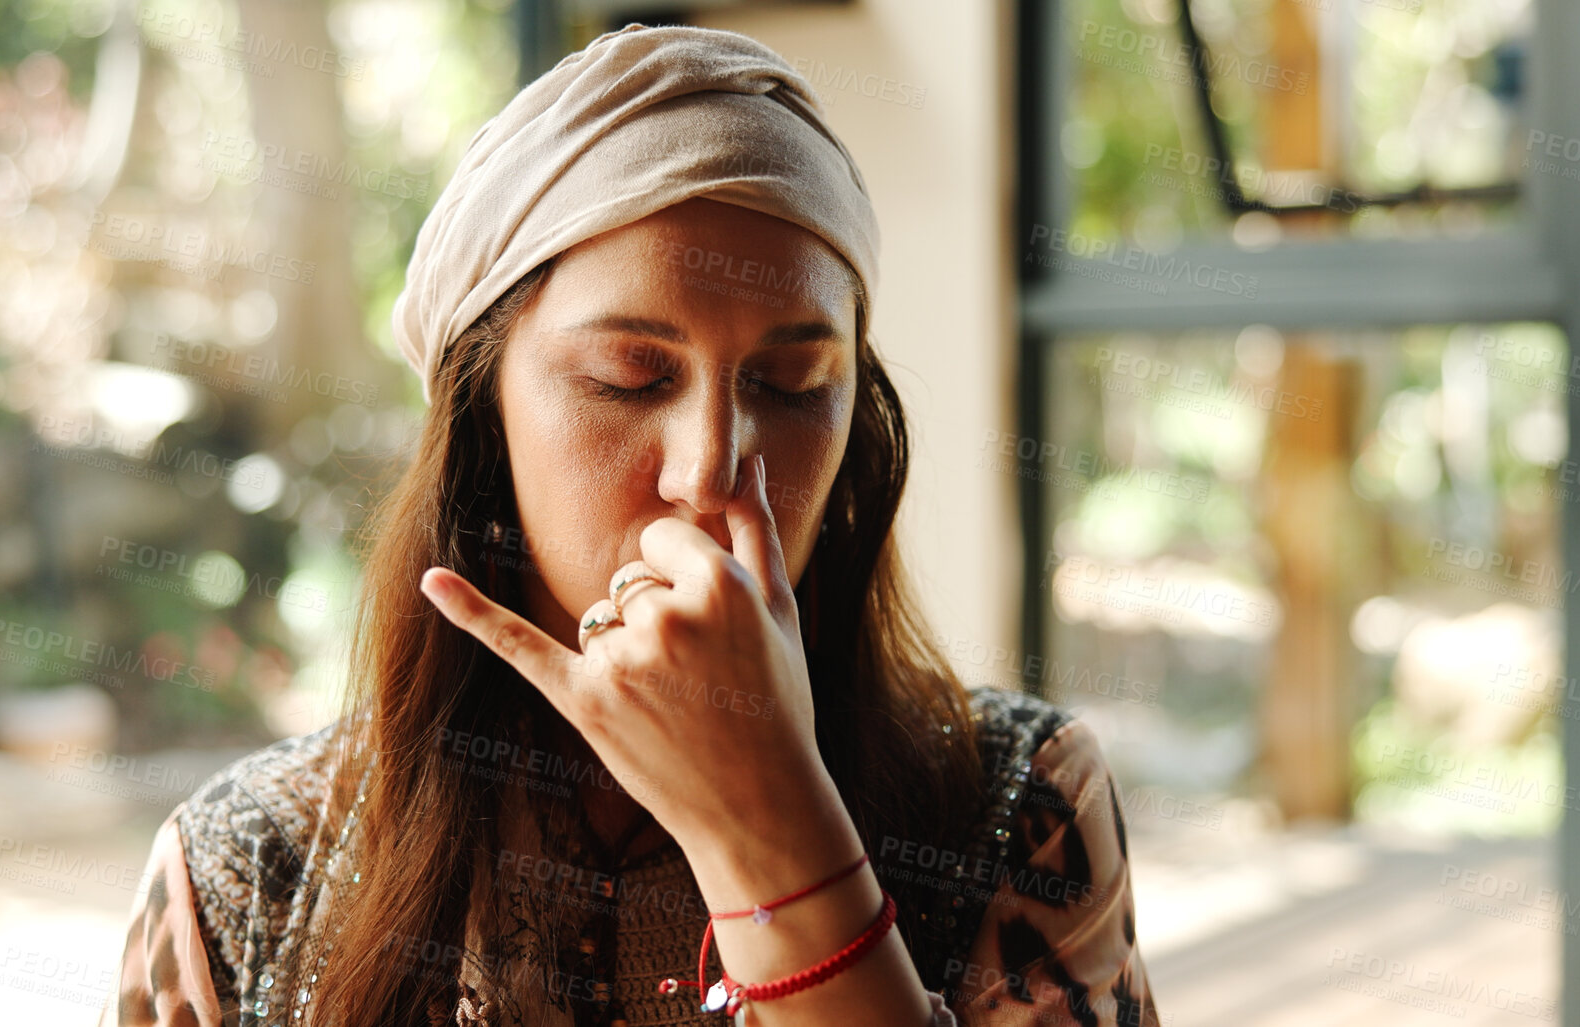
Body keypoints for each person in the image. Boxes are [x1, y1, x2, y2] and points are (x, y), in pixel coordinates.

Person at [100, 22, 1159, 1027]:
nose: (707, 470)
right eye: (628, 375)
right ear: (483, 411)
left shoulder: (1021, 805)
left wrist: (779, 834)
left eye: (791, 385)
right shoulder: (245, 870)